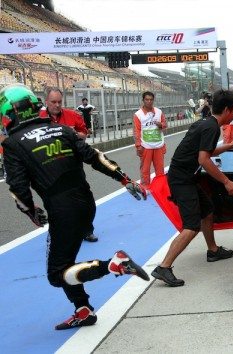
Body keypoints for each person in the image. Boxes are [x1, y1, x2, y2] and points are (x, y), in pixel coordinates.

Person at [0, 84, 148, 330]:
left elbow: (17, 188)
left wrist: (31, 212)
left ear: (11, 113)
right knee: (66, 263)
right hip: (86, 204)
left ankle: (113, 264)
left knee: (57, 274)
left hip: (62, 210)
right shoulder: (61, 129)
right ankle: (84, 311)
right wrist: (125, 179)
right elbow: (95, 156)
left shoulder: (13, 145)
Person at [151, 90, 233, 287]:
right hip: (181, 180)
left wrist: (229, 145)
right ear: (226, 109)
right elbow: (204, 159)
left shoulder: (207, 123)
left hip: (185, 176)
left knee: (208, 211)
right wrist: (226, 181)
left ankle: (213, 250)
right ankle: (164, 267)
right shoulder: (212, 128)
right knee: (191, 226)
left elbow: (206, 151)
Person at [40, 88, 97, 242]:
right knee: (56, 203)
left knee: (85, 200)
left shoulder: (72, 115)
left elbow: (84, 133)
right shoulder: (37, 118)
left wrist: (74, 135)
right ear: (46, 102)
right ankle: (57, 233)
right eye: (53, 102)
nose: (57, 105)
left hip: (73, 165)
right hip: (50, 167)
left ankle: (86, 230)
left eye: (59, 102)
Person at [133, 91, 167, 189]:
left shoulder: (159, 112)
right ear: (143, 100)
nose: (149, 101)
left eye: (151, 99)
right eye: (147, 99)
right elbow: (136, 131)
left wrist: (161, 125)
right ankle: (145, 187)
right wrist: (138, 146)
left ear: (153, 100)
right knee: (145, 169)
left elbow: (165, 124)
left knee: (160, 169)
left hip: (158, 145)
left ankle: (161, 187)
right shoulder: (138, 115)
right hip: (145, 146)